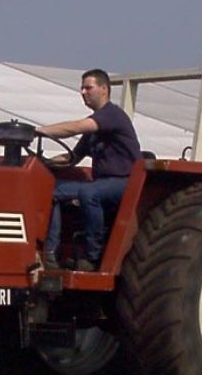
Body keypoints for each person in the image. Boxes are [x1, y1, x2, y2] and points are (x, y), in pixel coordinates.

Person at [36, 68, 142, 271]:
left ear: (104, 89)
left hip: (126, 182)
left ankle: (91, 255)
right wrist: (43, 162)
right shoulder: (93, 128)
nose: (83, 92)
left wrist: (38, 131)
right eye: (82, 88)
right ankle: (50, 253)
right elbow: (72, 157)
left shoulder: (112, 115)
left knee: (88, 192)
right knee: (51, 191)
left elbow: (74, 127)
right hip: (102, 183)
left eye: (88, 88)